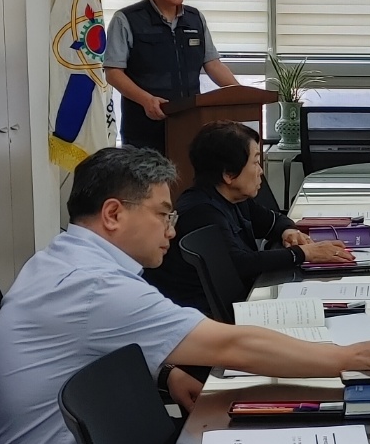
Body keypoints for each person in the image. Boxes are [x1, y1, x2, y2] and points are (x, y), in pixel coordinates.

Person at [0, 146, 370, 444]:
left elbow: (80, 347)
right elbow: (232, 344)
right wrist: (346, 358)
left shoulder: (61, 260)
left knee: (257, 435)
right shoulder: (95, 285)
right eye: (162, 215)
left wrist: (166, 375)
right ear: (113, 214)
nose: (171, 231)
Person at [146, 120, 355, 311]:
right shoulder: (200, 211)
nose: (261, 171)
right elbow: (241, 264)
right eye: (255, 162)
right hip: (208, 318)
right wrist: (304, 253)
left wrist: (288, 231)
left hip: (239, 303)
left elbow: (274, 220)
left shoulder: (235, 198)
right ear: (228, 174)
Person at [103, 0, 242, 151]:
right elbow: (113, 73)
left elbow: (212, 63)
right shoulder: (126, 20)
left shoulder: (195, 19)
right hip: (145, 129)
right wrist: (146, 100)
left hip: (190, 126)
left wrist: (240, 94)